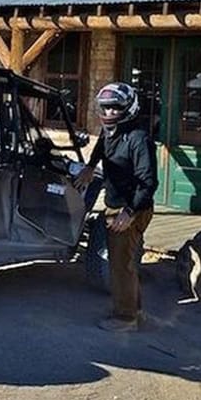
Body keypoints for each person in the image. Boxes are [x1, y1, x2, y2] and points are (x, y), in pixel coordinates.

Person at [80, 82, 158, 332]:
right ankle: (135, 309)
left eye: (116, 108)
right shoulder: (109, 133)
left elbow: (148, 182)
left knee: (120, 264)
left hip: (133, 207)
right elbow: (102, 147)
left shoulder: (138, 139)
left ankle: (125, 318)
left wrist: (129, 212)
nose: (110, 112)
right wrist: (90, 167)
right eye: (106, 108)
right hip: (115, 204)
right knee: (122, 260)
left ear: (129, 108)